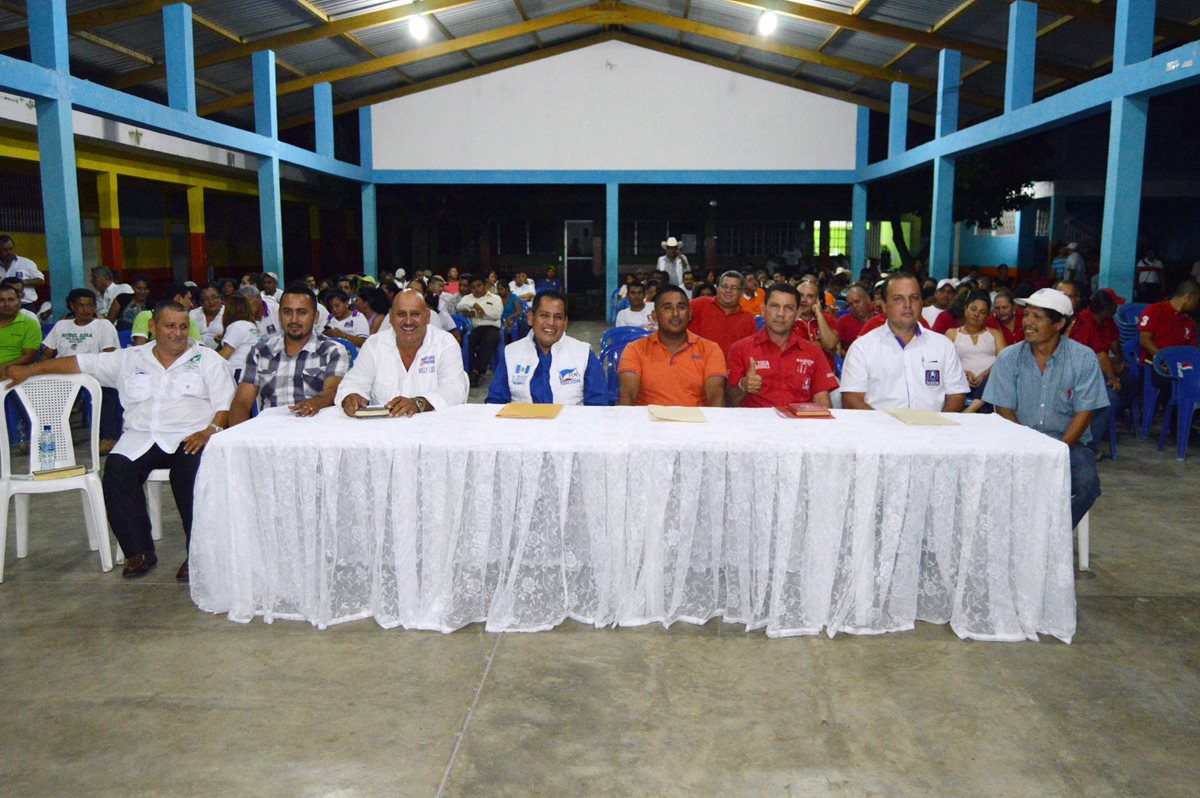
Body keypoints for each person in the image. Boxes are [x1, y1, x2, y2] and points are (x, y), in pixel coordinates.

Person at [3, 300, 234, 579]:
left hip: (191, 436)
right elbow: (78, 362)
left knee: (190, 476)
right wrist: (30, 370)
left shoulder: (207, 359)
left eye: (183, 326)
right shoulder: (130, 358)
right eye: (170, 326)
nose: (177, 332)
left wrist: (210, 431)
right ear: (152, 327)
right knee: (116, 472)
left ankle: (198, 554)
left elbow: (224, 405)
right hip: (141, 437)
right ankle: (139, 552)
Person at [983, 288, 1109, 527]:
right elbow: (1004, 410)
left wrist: (1056, 450)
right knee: (987, 481)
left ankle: (1053, 536)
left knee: (1088, 485)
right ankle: (1011, 534)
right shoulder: (1009, 357)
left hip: (1067, 444)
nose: (1027, 322)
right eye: (1026, 314)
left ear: (1059, 323)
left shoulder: (1083, 358)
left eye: (1037, 317)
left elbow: (1085, 413)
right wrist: (1029, 449)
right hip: (1017, 442)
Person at [841, 272, 969, 412]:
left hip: (932, 429)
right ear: (884, 305)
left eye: (914, 298)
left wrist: (939, 428)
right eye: (898, 299)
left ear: (922, 303)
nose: (908, 305)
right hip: (880, 430)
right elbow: (852, 398)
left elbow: (956, 395)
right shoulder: (862, 348)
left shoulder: (943, 345)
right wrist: (883, 428)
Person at [229, 284, 348, 424]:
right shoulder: (260, 352)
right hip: (270, 432)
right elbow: (242, 402)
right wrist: (239, 437)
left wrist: (316, 402)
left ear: (315, 317)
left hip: (315, 430)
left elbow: (332, 390)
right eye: (287, 312)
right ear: (279, 315)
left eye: (302, 313)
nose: (294, 320)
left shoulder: (332, 350)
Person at [337, 290, 468, 416]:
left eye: (415, 314)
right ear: (390, 316)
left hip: (431, 429)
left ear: (427, 316)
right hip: (383, 430)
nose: (408, 321)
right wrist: (351, 396)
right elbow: (354, 382)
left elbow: (454, 390)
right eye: (401, 314)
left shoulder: (445, 344)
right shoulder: (374, 345)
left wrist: (418, 403)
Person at [486, 289, 606, 406]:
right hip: (522, 425)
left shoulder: (583, 354)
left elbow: (598, 405)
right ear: (531, 318)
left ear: (565, 323)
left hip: (569, 425)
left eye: (558, 317)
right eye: (544, 315)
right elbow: (495, 402)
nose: (551, 323)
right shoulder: (511, 353)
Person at [726, 284, 838, 409]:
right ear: (763, 310)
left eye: (789, 308)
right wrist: (743, 385)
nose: (780, 314)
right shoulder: (740, 349)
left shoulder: (813, 352)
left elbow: (823, 402)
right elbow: (730, 402)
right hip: (756, 424)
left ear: (797, 313)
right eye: (774, 306)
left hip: (800, 424)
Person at [40, 288, 122, 451]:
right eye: (81, 305)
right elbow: (48, 353)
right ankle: (46, 437)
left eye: (90, 306)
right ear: (72, 306)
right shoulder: (62, 325)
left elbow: (109, 356)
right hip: (64, 372)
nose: (86, 310)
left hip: (94, 373)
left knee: (108, 390)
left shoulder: (103, 325)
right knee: (42, 390)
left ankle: (108, 437)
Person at [617, 285, 726, 407]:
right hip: (649, 422)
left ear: (690, 314)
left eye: (681, 307)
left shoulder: (710, 349)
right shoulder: (635, 349)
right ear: (654, 316)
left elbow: (716, 395)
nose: (675, 313)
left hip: (695, 423)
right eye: (667, 308)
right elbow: (628, 394)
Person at [945, 291, 1006, 410]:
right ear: (965, 309)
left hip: (990, 387)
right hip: (962, 384)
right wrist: (963, 372)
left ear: (987, 316)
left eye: (982, 312)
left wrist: (985, 374)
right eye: (973, 309)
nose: (976, 314)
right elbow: (944, 363)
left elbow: (1004, 361)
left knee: (997, 372)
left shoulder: (995, 334)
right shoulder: (952, 334)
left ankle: (973, 407)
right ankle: (974, 406)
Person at [0, 283, 42, 451]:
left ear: (19, 302)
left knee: (18, 387)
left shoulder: (29, 323)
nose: (6, 304)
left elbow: (29, 356)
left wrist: (4, 367)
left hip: (18, 370)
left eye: (11, 299)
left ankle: (26, 438)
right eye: (1, 300)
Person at [688, 271, 757, 359]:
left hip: (731, 370)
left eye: (733, 288)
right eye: (724, 286)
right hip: (696, 366)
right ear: (717, 288)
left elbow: (750, 351)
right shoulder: (699, 304)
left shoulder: (747, 319)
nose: (728, 291)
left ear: (742, 293)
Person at [456, 274, 503, 386]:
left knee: (489, 339)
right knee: (469, 342)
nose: (476, 289)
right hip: (475, 328)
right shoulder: (467, 298)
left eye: (479, 286)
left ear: (485, 285)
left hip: (492, 328)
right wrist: (474, 304)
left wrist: (474, 313)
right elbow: (459, 307)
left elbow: (496, 314)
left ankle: (478, 371)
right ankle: (471, 371)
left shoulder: (495, 298)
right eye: (473, 287)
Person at [1138, 281, 1199, 364]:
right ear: (1188, 297)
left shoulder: (1188, 322)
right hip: (1154, 364)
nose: (1197, 304)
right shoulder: (1154, 310)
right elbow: (1144, 341)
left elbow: (1192, 350)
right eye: (1197, 300)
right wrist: (1164, 359)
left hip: (1181, 367)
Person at [131, 283, 200, 345]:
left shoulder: (190, 321)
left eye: (183, 327)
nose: (191, 305)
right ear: (178, 298)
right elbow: (140, 349)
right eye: (189, 299)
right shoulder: (145, 316)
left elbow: (197, 350)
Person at [793, 278, 839, 368]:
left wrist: (819, 314)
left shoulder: (828, 318)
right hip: (796, 371)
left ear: (817, 300)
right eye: (800, 295)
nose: (804, 300)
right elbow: (789, 347)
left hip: (825, 372)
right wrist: (821, 344)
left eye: (810, 296)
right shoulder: (786, 319)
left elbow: (830, 344)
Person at [216, 294, 261, 380]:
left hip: (238, 372)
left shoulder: (236, 326)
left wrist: (207, 357)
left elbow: (224, 355)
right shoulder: (251, 325)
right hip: (252, 371)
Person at [0, 235, 45, 310]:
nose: (9, 252)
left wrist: (20, 283)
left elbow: (40, 280)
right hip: (3, 307)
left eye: (11, 249)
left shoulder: (26, 263)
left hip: (26, 306)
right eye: (5, 250)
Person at [834, 284, 878, 353]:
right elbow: (836, 347)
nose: (854, 306)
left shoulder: (880, 319)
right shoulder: (844, 321)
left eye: (857, 301)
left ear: (868, 300)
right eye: (850, 304)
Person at [191, 284, 225, 349]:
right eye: (206, 299)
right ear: (200, 302)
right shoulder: (193, 314)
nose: (211, 302)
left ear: (220, 297)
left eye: (214, 297)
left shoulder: (228, 313)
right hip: (195, 353)